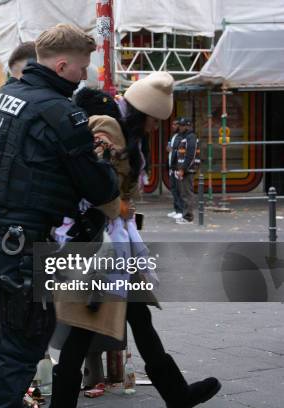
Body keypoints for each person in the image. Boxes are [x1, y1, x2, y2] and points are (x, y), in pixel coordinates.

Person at [0, 24, 119, 408]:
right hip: (22, 246)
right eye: (81, 67)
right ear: (61, 66)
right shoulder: (61, 113)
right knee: (23, 343)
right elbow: (101, 188)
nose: (84, 75)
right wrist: (102, 157)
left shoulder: (0, 98)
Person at [50, 73, 221, 408]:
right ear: (143, 115)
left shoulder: (122, 127)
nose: (156, 129)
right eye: (154, 122)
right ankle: (176, 395)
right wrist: (119, 206)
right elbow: (96, 180)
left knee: (138, 320)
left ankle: (178, 394)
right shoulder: (110, 127)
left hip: (114, 245)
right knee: (86, 326)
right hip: (101, 246)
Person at [175, 117, 199, 224]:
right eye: (180, 125)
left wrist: (183, 169)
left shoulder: (191, 137)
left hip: (188, 170)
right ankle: (186, 215)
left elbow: (190, 155)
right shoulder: (185, 137)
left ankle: (188, 217)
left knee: (187, 193)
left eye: (182, 125)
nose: (179, 127)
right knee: (184, 193)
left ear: (187, 126)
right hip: (184, 169)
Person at [167, 119, 184, 219]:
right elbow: (169, 148)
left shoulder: (181, 137)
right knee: (173, 189)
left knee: (179, 189)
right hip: (171, 166)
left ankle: (181, 210)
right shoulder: (173, 136)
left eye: (175, 124)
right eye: (173, 124)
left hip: (176, 166)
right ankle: (176, 209)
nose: (173, 126)